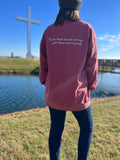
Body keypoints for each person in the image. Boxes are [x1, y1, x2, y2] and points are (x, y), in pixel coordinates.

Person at [39, 0, 98, 159]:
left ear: (61, 6)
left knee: (56, 128)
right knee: (87, 128)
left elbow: (43, 63)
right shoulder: (87, 29)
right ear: (78, 8)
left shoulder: (49, 31)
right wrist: (91, 85)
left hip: (54, 93)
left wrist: (45, 81)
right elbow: (92, 63)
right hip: (77, 94)